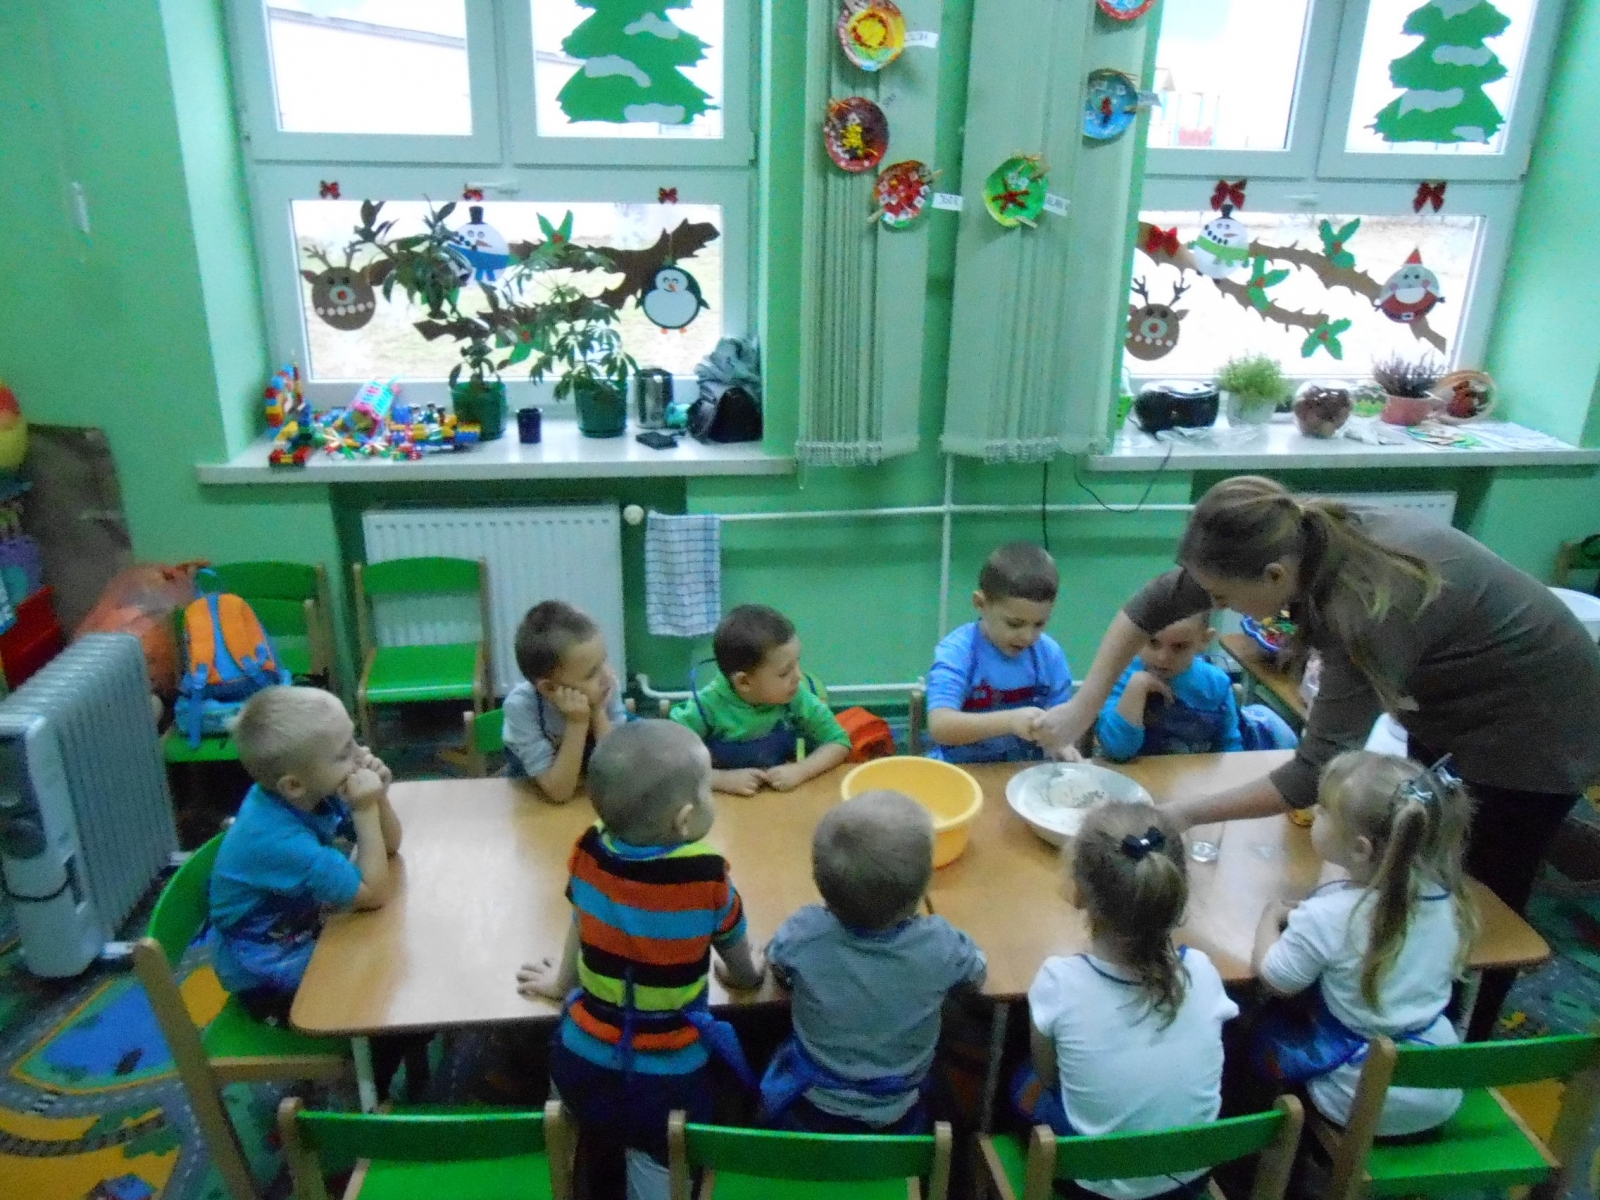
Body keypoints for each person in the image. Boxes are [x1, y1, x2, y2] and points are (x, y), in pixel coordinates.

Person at [1034, 476, 1600, 1037]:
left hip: (1541, 724)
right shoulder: (1293, 536)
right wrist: (1085, 706)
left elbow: (1314, 772)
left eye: (1223, 598)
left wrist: (1182, 813)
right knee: (1415, 853)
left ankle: (1453, 1039)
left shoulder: (1363, 611)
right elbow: (1155, 602)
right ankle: (1387, 989)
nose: (1215, 606)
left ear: (1275, 578)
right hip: (1453, 702)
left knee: (1482, 896)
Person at [516, 721, 765, 1200]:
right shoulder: (706, 875)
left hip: (578, 1060)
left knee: (583, 1103)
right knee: (656, 1156)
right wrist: (749, 976)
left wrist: (562, 981)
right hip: (667, 1078)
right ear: (684, 819)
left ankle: (575, 1159)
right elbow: (740, 964)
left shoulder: (589, 849)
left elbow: (581, 917)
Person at [1013, 803, 1238, 1200]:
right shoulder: (1201, 971)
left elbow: (1049, 1078)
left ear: (1078, 894)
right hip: (1189, 1181)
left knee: (1019, 1081)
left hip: (1096, 1188)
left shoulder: (1060, 981)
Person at [1252, 752, 1475, 1136]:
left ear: (1360, 849)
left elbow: (1276, 979)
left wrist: (1270, 917)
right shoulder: (1447, 901)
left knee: (1252, 1031)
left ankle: (1269, 1155)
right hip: (1439, 1090)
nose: (1314, 812)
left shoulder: (1328, 917)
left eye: (1323, 810)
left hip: (1359, 1098)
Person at [761, 791, 987, 1133]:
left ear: (818, 882)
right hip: (901, 1114)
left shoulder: (805, 932)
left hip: (805, 1108)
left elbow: (777, 964)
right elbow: (977, 974)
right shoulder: (940, 945)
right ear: (926, 885)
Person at [208, 686, 401, 1025]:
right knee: (381, 984)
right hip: (266, 973)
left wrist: (379, 798)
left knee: (392, 955)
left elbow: (389, 847)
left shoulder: (313, 789)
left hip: (304, 929)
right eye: (344, 753)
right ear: (294, 785)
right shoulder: (278, 840)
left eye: (354, 740)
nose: (360, 755)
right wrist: (365, 809)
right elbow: (374, 894)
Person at [670, 604, 850, 796]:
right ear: (744, 682)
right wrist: (721, 779)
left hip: (779, 798)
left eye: (797, 662)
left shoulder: (795, 696)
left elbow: (838, 741)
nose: (798, 676)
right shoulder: (705, 708)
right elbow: (671, 762)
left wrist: (801, 770)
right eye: (785, 672)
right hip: (726, 804)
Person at [926, 542, 1076, 763]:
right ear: (980, 603)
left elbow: (1064, 721)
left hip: (1025, 772)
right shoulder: (959, 652)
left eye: (1039, 624)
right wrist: (1010, 722)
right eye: (1014, 624)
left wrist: (1062, 745)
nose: (1028, 636)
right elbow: (940, 725)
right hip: (962, 771)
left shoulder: (1049, 655)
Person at [503, 600, 627, 803]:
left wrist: (598, 712)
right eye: (591, 674)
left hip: (591, 798)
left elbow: (619, 774)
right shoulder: (521, 707)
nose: (607, 675)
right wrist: (577, 723)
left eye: (604, 660)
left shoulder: (604, 686)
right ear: (549, 689)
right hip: (536, 803)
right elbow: (559, 792)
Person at [1096, 612, 1244, 760]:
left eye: (1179, 647)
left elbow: (1230, 749)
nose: (1162, 658)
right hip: (1132, 773)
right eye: (1153, 642)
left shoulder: (1217, 684)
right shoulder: (1121, 674)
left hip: (1195, 773)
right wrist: (1137, 686)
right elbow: (1117, 751)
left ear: (1205, 640)